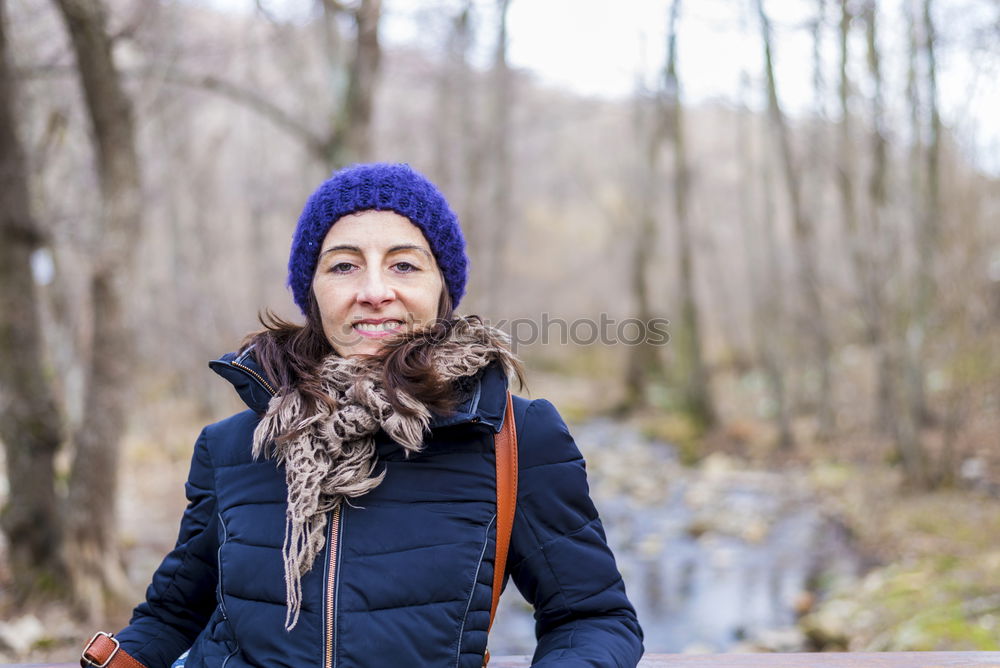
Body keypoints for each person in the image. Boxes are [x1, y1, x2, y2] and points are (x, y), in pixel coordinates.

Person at [80, 163, 643, 668]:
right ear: (314, 292)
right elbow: (172, 617)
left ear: (440, 289)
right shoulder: (234, 444)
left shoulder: (513, 437)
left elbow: (592, 620)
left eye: (404, 265)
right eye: (345, 266)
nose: (375, 291)